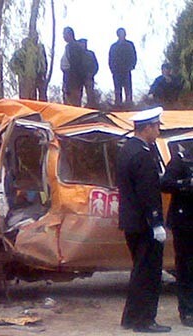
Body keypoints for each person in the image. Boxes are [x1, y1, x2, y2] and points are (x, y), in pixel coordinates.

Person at [116, 107, 171, 333]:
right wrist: (157, 222)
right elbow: (148, 192)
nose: (158, 130)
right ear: (147, 127)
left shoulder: (127, 149)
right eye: (156, 126)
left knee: (139, 271)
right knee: (149, 274)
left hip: (132, 221)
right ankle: (145, 321)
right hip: (144, 223)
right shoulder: (142, 154)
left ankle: (131, 318)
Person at [161, 145, 193, 328]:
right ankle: (187, 311)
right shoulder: (182, 160)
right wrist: (187, 184)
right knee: (186, 268)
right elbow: (165, 184)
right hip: (185, 223)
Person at [9, 32, 48, 101]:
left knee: (40, 99)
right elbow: (12, 63)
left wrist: (43, 72)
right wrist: (20, 72)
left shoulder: (40, 49)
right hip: (27, 78)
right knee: (28, 99)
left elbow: (43, 62)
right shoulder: (21, 52)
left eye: (37, 36)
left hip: (39, 76)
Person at [109, 28, 137, 107]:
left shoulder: (129, 44)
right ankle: (118, 105)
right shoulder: (114, 46)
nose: (122, 34)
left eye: (123, 33)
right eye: (120, 33)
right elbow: (111, 58)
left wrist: (132, 66)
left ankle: (129, 104)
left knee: (128, 89)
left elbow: (133, 55)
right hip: (117, 71)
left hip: (126, 70)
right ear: (117, 34)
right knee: (118, 90)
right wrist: (112, 69)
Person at [60, 27, 85, 106]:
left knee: (72, 103)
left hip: (73, 81)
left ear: (69, 34)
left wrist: (72, 82)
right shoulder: (69, 46)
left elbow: (75, 65)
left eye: (64, 34)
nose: (63, 36)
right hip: (69, 78)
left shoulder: (73, 47)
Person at [78, 38, 99, 108]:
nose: (84, 45)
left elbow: (96, 65)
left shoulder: (91, 54)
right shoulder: (77, 55)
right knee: (78, 95)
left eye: (85, 43)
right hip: (79, 78)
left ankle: (91, 107)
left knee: (90, 94)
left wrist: (92, 73)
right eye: (82, 43)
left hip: (89, 77)